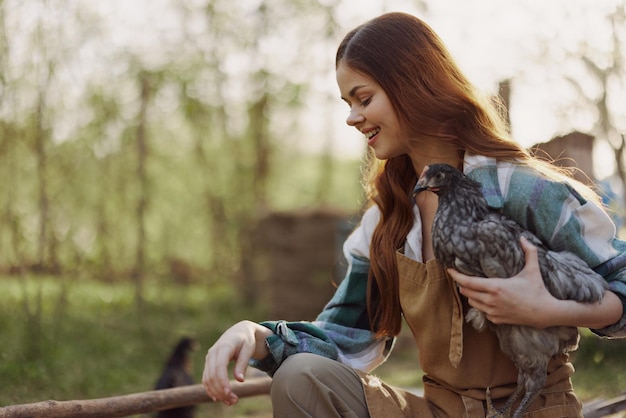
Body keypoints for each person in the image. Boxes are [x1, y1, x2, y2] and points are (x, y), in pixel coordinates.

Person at [202, 12, 626, 417]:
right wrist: (256, 336)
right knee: (300, 376)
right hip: (438, 410)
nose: (352, 117)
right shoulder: (388, 218)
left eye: (363, 98)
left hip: (534, 410)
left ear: (413, 85)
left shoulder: (523, 189)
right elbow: (345, 337)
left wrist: (550, 310)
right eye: (348, 103)